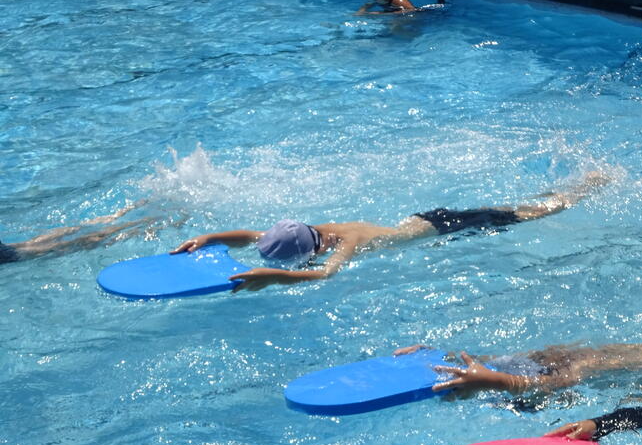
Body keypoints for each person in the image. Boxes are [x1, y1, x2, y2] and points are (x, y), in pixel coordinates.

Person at [171, 171, 610, 293]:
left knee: (534, 214)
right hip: (429, 222)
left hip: (444, 227)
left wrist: (272, 277)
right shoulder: (308, 231)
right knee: (517, 209)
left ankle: (588, 185)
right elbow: (252, 235)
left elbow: (325, 275)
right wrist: (210, 238)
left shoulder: (347, 241)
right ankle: (572, 186)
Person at [394, 318, 642, 395]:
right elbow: (505, 361)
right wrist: (440, 354)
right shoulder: (555, 355)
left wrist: (492, 382)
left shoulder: (581, 363)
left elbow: (551, 384)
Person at [0, 202, 151, 264]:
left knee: (79, 242)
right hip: (7, 249)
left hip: (9, 254)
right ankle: (123, 214)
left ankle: (143, 224)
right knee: (73, 232)